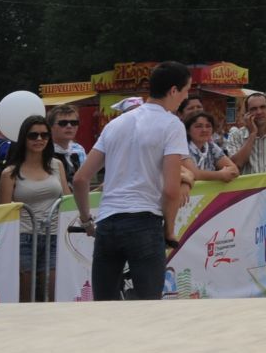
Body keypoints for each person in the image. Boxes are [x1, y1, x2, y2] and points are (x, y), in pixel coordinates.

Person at [71, 62, 192, 300]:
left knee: (105, 308)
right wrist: (169, 231)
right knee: (148, 308)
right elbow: (170, 190)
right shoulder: (172, 125)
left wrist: (87, 221)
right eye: (187, 90)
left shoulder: (115, 124)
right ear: (173, 91)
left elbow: (80, 178)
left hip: (108, 223)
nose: (187, 96)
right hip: (145, 222)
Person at [0, 114, 68, 301]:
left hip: (54, 235)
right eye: (33, 135)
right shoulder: (10, 172)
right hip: (23, 237)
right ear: (24, 138)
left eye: (44, 135)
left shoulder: (57, 165)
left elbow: (69, 201)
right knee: (26, 295)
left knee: (55, 291)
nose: (39, 139)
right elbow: (4, 213)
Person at [184, 111, 239, 182]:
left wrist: (222, 174)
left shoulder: (211, 146)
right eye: (198, 126)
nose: (204, 130)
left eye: (208, 126)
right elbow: (194, 174)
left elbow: (234, 170)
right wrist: (221, 175)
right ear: (188, 130)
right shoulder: (182, 147)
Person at [50, 108, 88, 180]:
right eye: (63, 123)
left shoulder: (79, 149)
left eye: (74, 123)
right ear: (50, 126)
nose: (69, 126)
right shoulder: (43, 151)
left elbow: (84, 180)